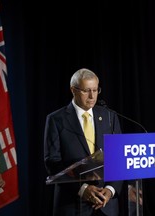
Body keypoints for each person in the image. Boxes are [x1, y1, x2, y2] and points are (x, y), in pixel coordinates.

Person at [44, 68, 123, 216]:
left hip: (106, 206)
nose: (92, 96)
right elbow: (52, 162)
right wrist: (83, 188)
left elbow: (118, 158)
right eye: (87, 90)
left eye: (95, 90)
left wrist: (111, 190)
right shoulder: (56, 119)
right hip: (72, 205)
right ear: (73, 90)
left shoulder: (109, 116)